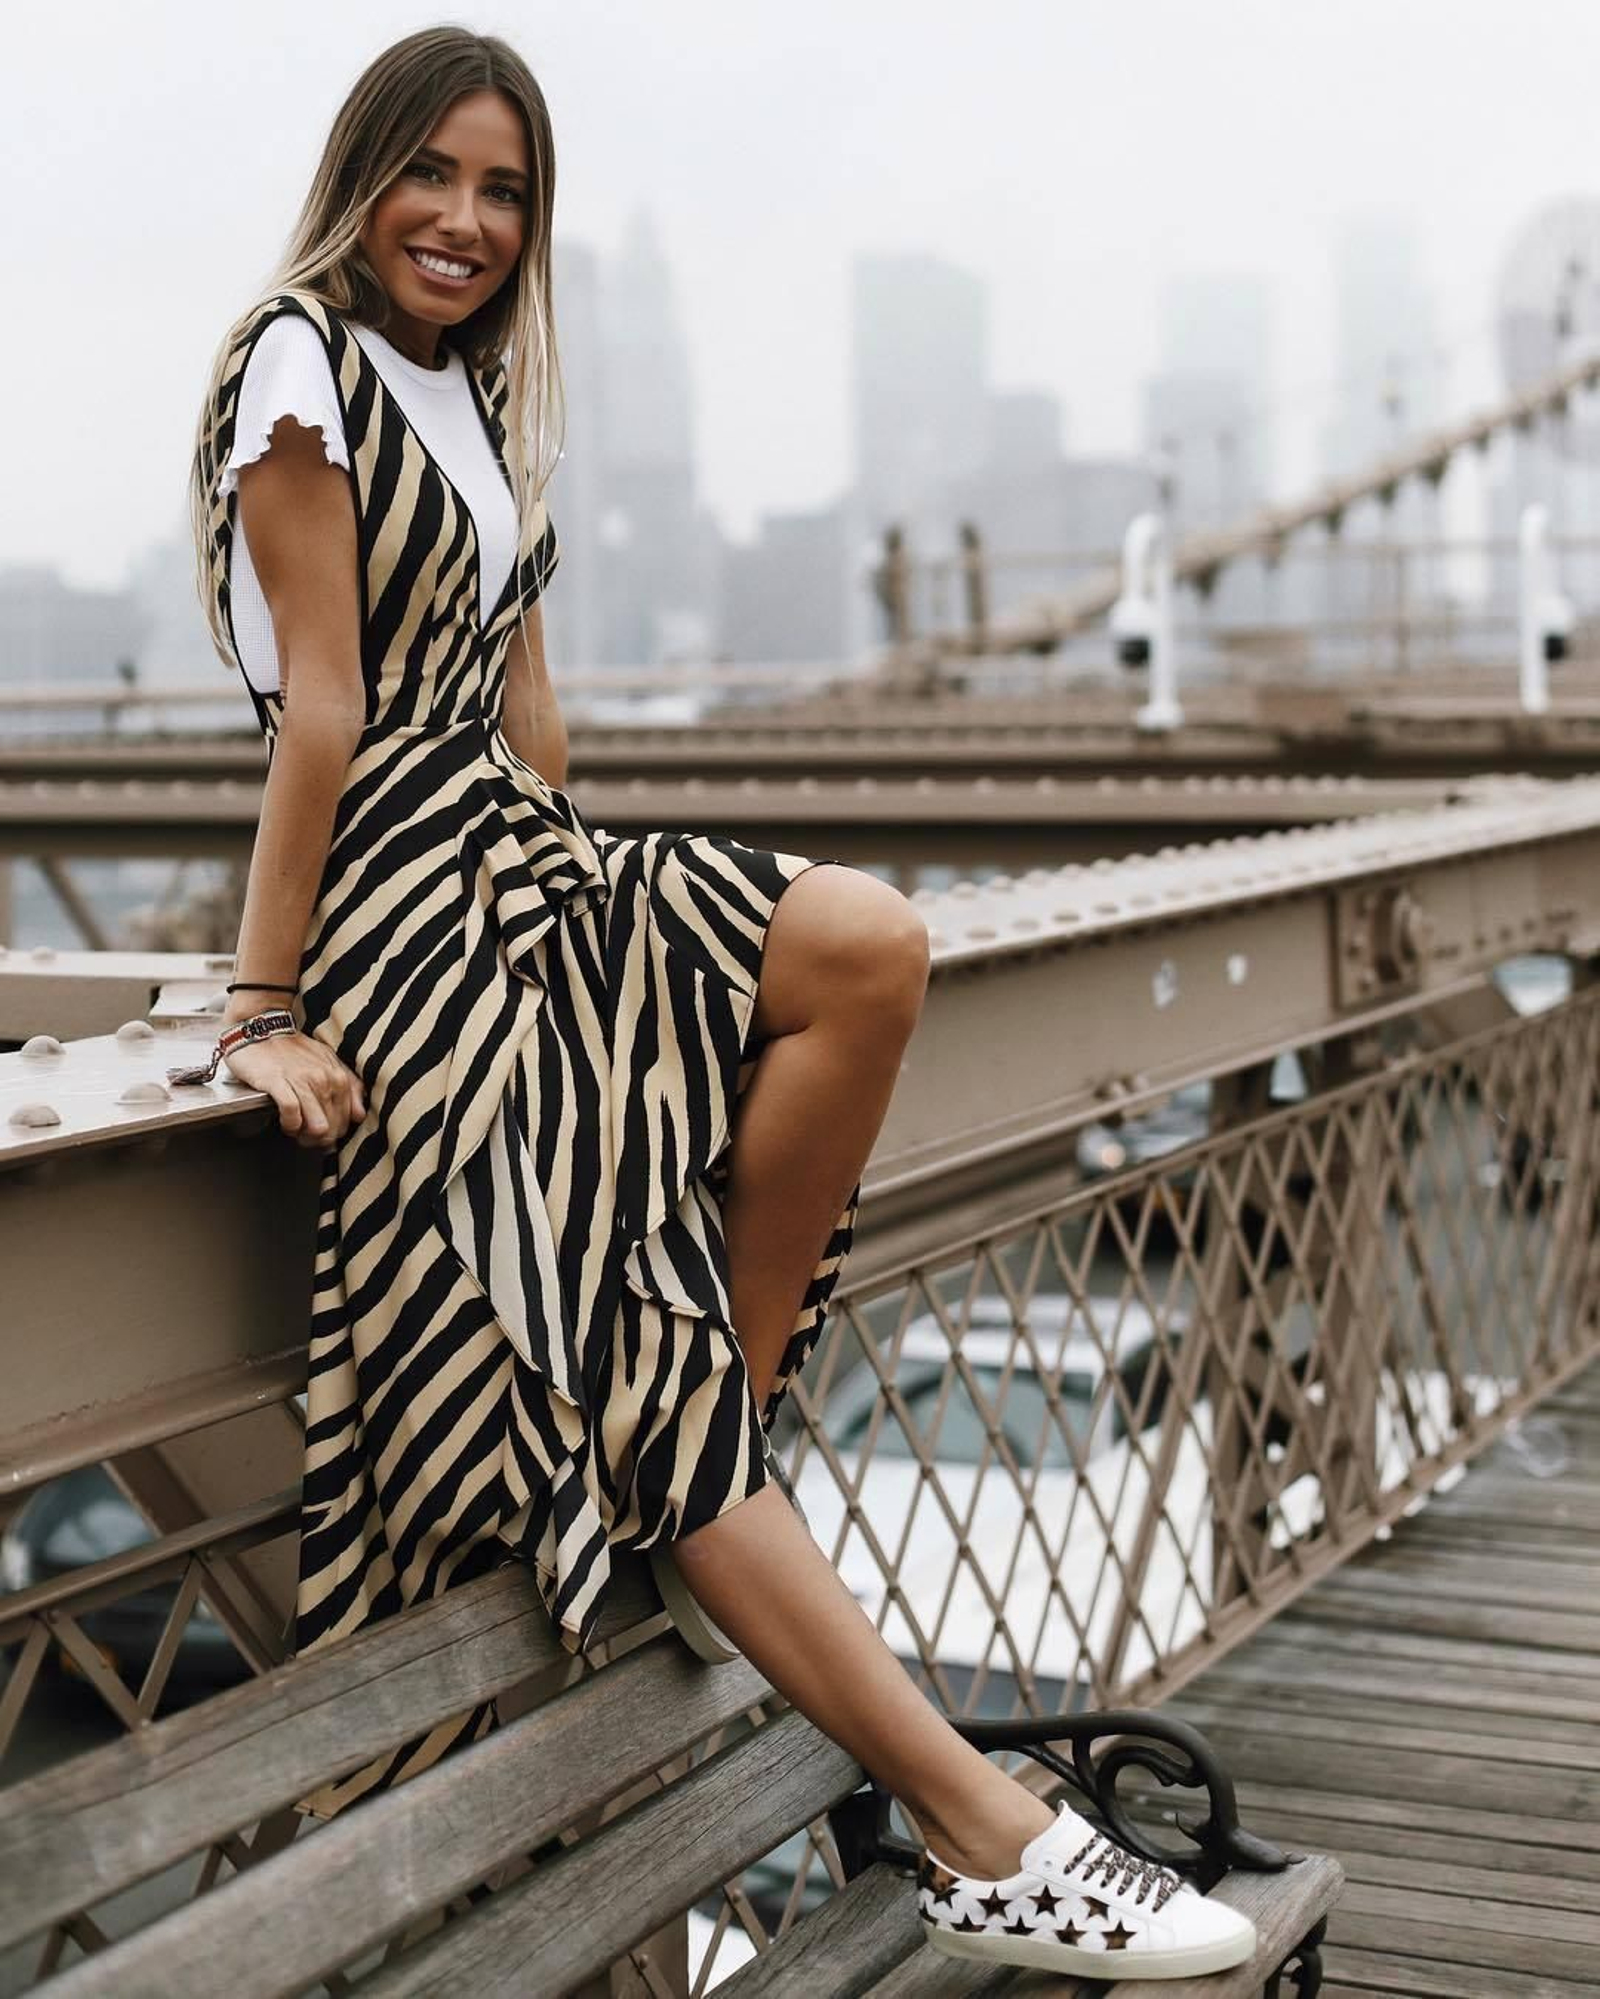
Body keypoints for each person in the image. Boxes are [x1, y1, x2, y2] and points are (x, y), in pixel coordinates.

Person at [184, 25, 1254, 1981]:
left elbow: (537, 725)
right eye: (431, 174)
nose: (465, 219)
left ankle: (700, 1445)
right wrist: (265, 1005)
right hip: (397, 907)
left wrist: (615, 979)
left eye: (504, 190)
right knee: (640, 1332)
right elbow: (325, 710)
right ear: (365, 177)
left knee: (864, 946)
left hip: (526, 866)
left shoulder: (481, 403)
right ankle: (978, 1822)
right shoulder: (293, 362)